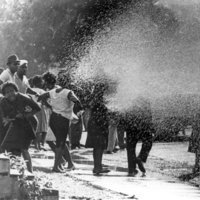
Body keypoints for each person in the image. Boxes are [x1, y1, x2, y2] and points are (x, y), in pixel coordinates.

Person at [38, 76, 83, 173]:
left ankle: (65, 164)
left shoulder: (53, 91)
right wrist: (78, 113)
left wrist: (50, 106)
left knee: (60, 141)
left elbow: (40, 97)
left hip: (53, 118)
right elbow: (77, 102)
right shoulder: (68, 92)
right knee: (60, 143)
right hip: (63, 119)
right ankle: (56, 166)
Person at [0, 82, 41, 173]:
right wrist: (8, 119)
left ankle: (30, 172)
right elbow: (5, 117)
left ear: (16, 91)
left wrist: (25, 115)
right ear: (4, 94)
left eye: (12, 91)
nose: (10, 94)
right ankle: (16, 170)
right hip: (17, 123)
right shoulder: (3, 101)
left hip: (29, 123)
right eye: (7, 92)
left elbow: (37, 108)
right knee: (9, 147)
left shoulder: (23, 97)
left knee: (23, 148)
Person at [123, 97, 154, 177]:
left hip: (131, 124)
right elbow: (148, 114)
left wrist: (125, 124)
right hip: (143, 124)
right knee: (148, 141)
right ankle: (141, 157)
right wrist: (151, 127)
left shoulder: (129, 96)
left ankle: (131, 169)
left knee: (130, 147)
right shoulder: (145, 99)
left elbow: (125, 111)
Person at [85, 82, 110, 175]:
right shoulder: (100, 100)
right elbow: (102, 113)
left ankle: (97, 166)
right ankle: (97, 167)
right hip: (99, 125)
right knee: (99, 146)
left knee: (97, 147)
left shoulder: (93, 98)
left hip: (93, 124)